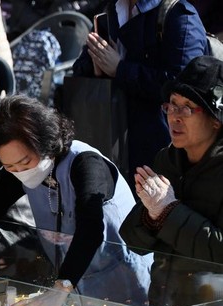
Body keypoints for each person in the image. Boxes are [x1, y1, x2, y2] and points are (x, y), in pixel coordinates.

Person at [0, 95, 152, 306]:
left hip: (123, 287)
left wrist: (61, 288)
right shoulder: (17, 172)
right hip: (71, 291)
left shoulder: (86, 164)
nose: (20, 172)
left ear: (43, 143)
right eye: (9, 166)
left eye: (25, 162)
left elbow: (90, 229)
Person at [120, 56, 223, 306]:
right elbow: (134, 242)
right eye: (172, 105)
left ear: (216, 120)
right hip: (165, 304)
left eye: (187, 107)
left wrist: (167, 211)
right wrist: (152, 216)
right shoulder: (166, 159)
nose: (174, 116)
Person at [72, 0, 209, 184]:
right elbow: (80, 66)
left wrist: (120, 69)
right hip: (112, 137)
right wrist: (95, 65)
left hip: (159, 145)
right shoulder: (113, 8)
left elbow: (183, 87)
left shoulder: (180, 15)